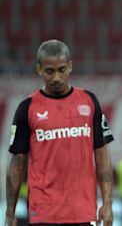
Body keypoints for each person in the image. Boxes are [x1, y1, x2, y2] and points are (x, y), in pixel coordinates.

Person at [5, 39, 114, 226]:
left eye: (61, 70)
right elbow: (16, 165)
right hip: (44, 214)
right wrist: (10, 213)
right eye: (49, 71)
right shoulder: (27, 108)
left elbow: (102, 156)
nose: (56, 78)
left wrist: (107, 203)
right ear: (39, 69)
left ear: (70, 67)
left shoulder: (89, 101)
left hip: (82, 212)